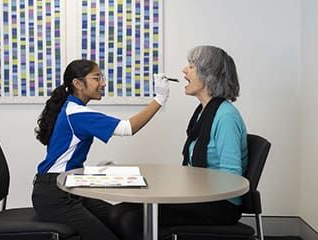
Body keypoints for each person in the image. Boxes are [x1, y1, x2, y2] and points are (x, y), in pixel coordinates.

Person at [109, 45, 248, 240]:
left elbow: (231, 178)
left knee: (131, 221)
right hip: (199, 194)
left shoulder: (225, 117)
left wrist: (183, 191)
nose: (184, 70)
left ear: (208, 74)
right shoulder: (202, 112)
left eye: (191, 66)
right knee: (117, 213)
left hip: (219, 204)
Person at [31, 59, 169, 240]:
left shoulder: (71, 108)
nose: (103, 83)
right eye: (97, 78)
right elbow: (128, 128)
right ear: (78, 84)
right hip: (55, 194)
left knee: (122, 221)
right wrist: (159, 99)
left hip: (69, 185)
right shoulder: (77, 113)